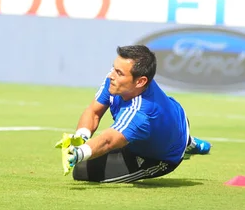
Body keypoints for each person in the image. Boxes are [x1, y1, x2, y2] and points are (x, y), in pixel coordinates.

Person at [61, 45, 211, 183]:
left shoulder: (142, 113)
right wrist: (81, 137)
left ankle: (183, 146)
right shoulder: (116, 81)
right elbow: (93, 112)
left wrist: (79, 153)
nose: (110, 76)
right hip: (176, 118)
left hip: (159, 158)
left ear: (140, 82)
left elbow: (109, 141)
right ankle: (189, 141)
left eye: (119, 73)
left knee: (82, 171)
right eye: (114, 68)